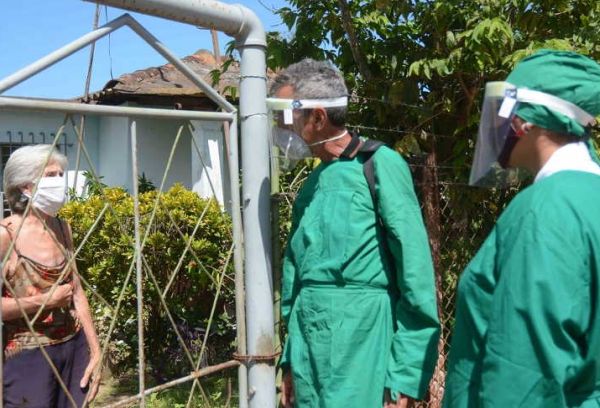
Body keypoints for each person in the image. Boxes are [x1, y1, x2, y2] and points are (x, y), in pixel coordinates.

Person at [270, 59, 440, 408]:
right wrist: (291, 360)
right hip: (308, 348)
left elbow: (416, 274)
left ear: (317, 117)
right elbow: (296, 278)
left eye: (286, 118)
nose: (280, 128)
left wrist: (404, 378)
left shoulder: (378, 165)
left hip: (364, 344)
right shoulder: (312, 183)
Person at [443, 49, 600, 407]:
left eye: (504, 112)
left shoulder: (544, 210)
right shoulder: (589, 196)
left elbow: (523, 371)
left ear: (529, 121)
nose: (497, 127)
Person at [1, 145, 101, 407]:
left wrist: (95, 350)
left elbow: (77, 291)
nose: (59, 182)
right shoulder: (5, 236)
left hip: (74, 346)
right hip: (28, 355)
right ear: (25, 187)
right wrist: (45, 301)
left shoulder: (61, 227)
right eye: (50, 176)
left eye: (60, 175)